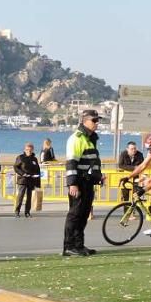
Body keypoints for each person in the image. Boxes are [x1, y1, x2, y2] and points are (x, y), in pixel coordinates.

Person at [62, 110, 103, 256]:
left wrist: (98, 177)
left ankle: (79, 245)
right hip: (79, 182)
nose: (97, 123)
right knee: (75, 214)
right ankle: (69, 246)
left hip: (88, 183)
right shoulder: (77, 138)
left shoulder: (90, 138)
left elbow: (92, 161)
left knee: (84, 214)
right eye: (94, 120)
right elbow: (71, 163)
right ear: (85, 121)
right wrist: (72, 184)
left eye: (98, 120)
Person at [13, 142, 41, 218]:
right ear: (24, 150)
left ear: (32, 150)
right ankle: (17, 211)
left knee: (29, 197)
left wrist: (38, 183)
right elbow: (16, 167)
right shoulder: (20, 157)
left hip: (31, 180)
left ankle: (27, 212)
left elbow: (38, 170)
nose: (29, 151)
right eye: (27, 149)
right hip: (23, 180)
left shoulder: (34, 159)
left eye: (30, 149)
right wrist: (22, 173)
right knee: (20, 196)